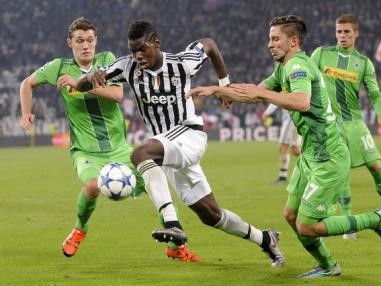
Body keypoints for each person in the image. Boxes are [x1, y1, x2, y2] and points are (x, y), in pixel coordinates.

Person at [187, 15, 381, 278]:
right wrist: (216, 91)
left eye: (275, 39)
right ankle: (329, 266)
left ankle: (377, 219)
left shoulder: (297, 66)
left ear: (293, 41)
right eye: (269, 39)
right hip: (311, 154)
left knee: (307, 226)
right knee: (290, 215)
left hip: (328, 156)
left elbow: (301, 101)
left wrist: (261, 94)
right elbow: (253, 92)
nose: (269, 44)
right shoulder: (283, 67)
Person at [75, 20, 285, 267]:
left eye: (142, 49)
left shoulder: (181, 63)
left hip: (188, 134)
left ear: (156, 43)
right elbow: (80, 86)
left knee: (140, 154)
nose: (137, 56)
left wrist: (224, 84)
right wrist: (91, 78)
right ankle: (265, 239)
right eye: (133, 51)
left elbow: (209, 45)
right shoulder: (126, 66)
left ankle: (172, 225)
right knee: (211, 215)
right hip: (167, 151)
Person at [19, 17, 198, 261]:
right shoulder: (58, 67)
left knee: (155, 180)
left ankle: (174, 245)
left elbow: (116, 94)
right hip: (85, 150)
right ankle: (79, 230)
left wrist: (80, 85)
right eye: (80, 41)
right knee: (92, 186)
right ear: (69, 42)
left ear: (96, 41)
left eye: (90, 40)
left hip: (119, 148)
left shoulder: (106, 61)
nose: (86, 46)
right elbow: (26, 84)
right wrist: (26, 112)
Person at [310, 14, 381, 237]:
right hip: (331, 125)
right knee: (342, 172)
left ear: (356, 33)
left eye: (346, 32)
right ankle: (348, 223)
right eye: (339, 31)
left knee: (377, 167)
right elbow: (307, 79)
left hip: (356, 124)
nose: (342, 36)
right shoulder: (321, 54)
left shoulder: (363, 63)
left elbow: (375, 93)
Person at [262, 104, 301, 184]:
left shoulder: (284, 91)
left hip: (290, 119)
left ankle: (283, 177)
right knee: (295, 150)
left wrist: (266, 112)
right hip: (294, 118)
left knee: (283, 147)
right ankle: (314, 167)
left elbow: (276, 99)